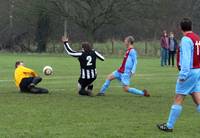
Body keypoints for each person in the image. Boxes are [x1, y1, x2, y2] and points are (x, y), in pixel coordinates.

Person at [157, 18, 200, 132]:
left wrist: (182, 75)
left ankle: (169, 126)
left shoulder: (186, 39)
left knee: (178, 98)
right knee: (197, 99)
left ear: (181, 28)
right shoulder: (197, 38)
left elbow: (186, 59)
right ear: (191, 26)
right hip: (197, 71)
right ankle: (169, 125)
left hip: (189, 72)